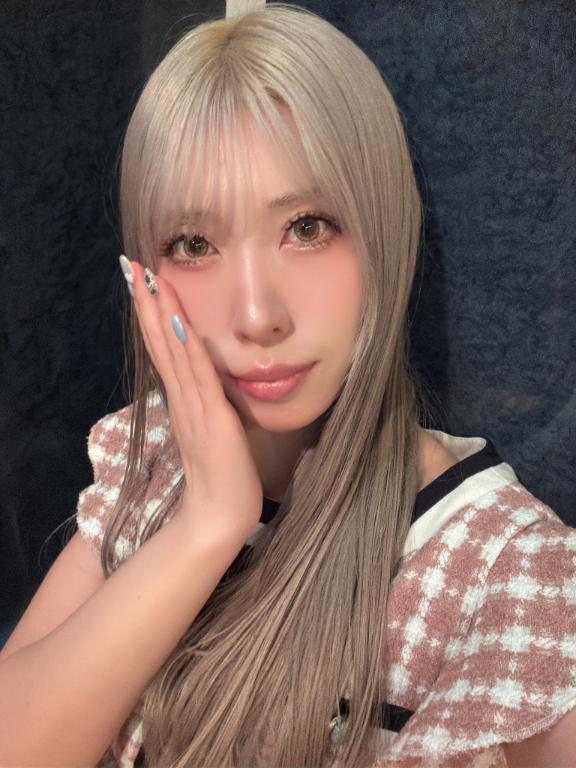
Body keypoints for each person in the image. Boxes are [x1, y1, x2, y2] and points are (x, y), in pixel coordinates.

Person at [1, 3, 575, 766]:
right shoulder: (151, 463)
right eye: (194, 242)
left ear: (384, 230)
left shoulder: (503, 573)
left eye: (307, 227)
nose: (256, 316)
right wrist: (208, 525)